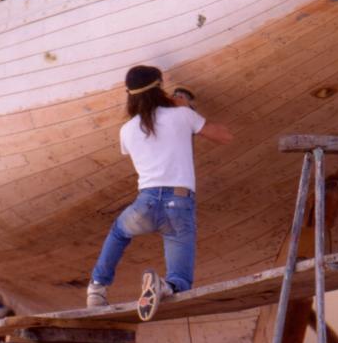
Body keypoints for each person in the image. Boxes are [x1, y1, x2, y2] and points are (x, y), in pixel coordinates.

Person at [87, 65, 232, 319]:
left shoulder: (126, 131)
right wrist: (186, 109)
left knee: (119, 232)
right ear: (160, 89)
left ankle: (97, 289)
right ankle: (165, 286)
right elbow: (225, 136)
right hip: (179, 204)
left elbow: (151, 136)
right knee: (181, 280)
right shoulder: (183, 116)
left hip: (146, 204)